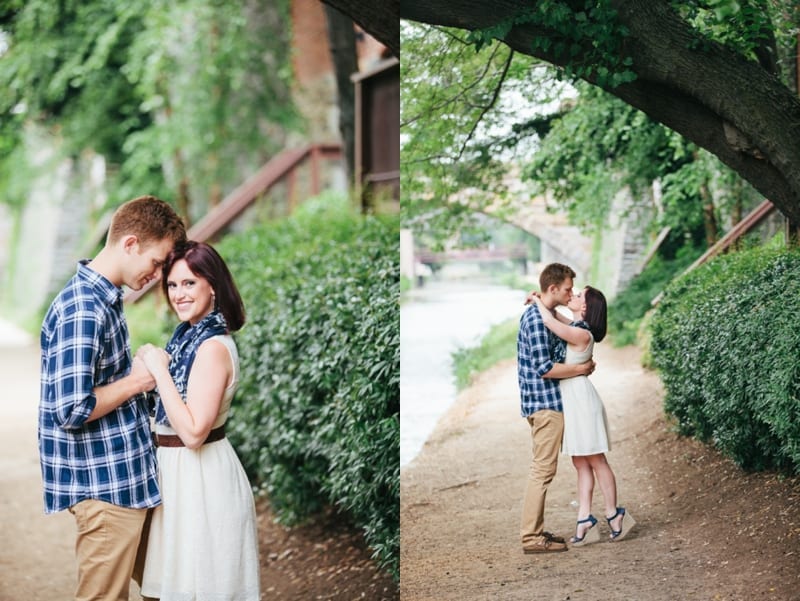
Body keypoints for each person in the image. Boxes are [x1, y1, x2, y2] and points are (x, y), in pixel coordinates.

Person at [38, 195, 186, 600]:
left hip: (125, 482)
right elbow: (70, 408)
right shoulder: (84, 308)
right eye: (156, 263)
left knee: (163, 587)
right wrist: (139, 380)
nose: (157, 275)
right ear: (131, 243)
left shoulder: (105, 300)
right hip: (104, 489)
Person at [137, 241, 260, 601]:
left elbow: (192, 432)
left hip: (202, 479)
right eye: (172, 285)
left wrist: (159, 371)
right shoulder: (187, 338)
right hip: (177, 477)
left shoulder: (212, 348)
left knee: (203, 589)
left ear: (213, 286)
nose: (179, 294)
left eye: (189, 283)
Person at [532, 285, 635, 544]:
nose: (573, 296)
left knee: (596, 460)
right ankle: (585, 517)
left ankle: (614, 514)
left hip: (581, 401)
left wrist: (536, 301)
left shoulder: (582, 335)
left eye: (578, 296)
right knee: (580, 463)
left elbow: (549, 320)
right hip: (573, 401)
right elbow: (556, 317)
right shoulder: (578, 327)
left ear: (585, 307)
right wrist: (543, 301)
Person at [517, 263, 595, 554]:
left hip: (546, 403)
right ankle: (531, 538)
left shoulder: (545, 314)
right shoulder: (537, 321)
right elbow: (545, 368)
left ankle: (534, 532)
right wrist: (580, 369)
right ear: (553, 288)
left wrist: (581, 366)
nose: (571, 293)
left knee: (542, 469)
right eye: (567, 289)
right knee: (542, 470)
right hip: (545, 405)